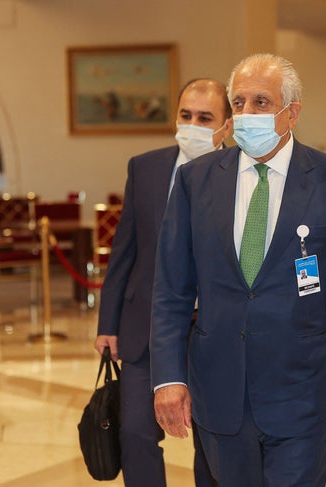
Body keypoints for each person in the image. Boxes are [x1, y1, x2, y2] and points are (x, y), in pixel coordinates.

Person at [150, 53, 326, 487]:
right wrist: (168, 379)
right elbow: (171, 291)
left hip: (304, 390)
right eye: (239, 103)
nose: (247, 114)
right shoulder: (195, 181)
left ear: (291, 113)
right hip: (219, 389)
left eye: (261, 102)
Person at [94, 78, 231, 487]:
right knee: (135, 431)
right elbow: (125, 249)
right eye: (186, 115)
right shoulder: (145, 167)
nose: (192, 124)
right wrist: (108, 323)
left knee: (211, 443)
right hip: (145, 329)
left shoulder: (240, 173)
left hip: (214, 331)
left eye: (205, 118)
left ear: (226, 125)